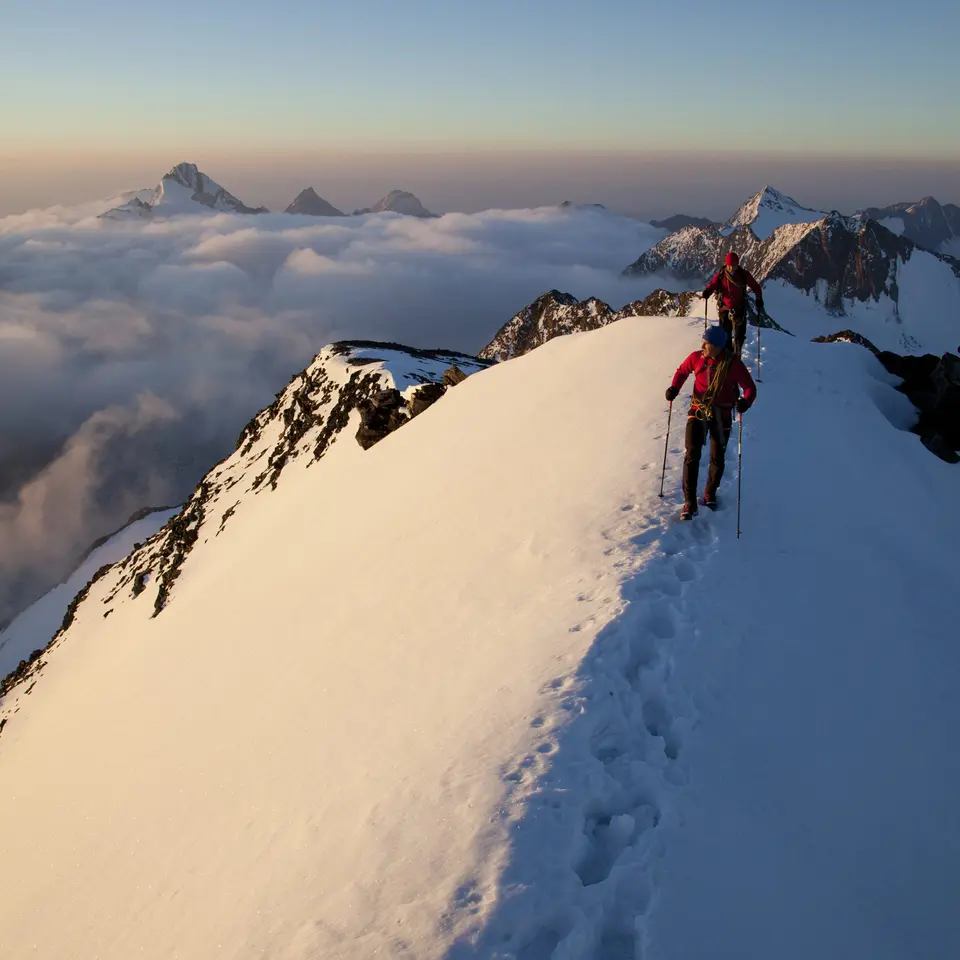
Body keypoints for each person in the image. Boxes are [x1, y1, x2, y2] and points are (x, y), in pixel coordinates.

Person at [665, 325, 757, 520]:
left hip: (720, 414)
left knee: (717, 457)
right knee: (692, 455)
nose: (703, 346)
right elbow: (682, 372)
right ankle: (689, 502)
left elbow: (750, 388)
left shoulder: (733, 364)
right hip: (698, 411)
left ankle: (710, 492)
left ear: (716, 346)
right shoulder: (696, 358)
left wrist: (745, 402)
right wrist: (674, 388)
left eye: (706, 343)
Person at [703, 251, 764, 358]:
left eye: (733, 265)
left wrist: (759, 298)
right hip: (726, 309)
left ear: (737, 264)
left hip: (737, 308)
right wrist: (708, 291)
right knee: (725, 335)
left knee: (738, 336)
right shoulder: (722, 274)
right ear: (726, 264)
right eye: (729, 265)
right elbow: (713, 284)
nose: (731, 268)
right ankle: (728, 356)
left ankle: (736, 356)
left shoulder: (743, 275)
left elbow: (755, 286)